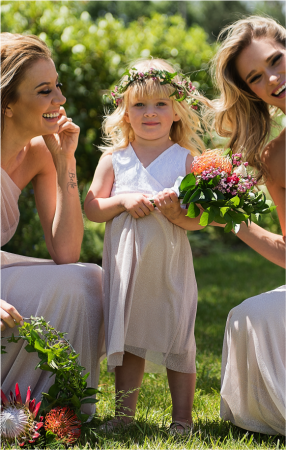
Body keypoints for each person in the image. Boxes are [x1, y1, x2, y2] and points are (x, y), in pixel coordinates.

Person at [84, 58, 208, 433]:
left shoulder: (186, 160)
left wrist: (175, 213)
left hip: (169, 268)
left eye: (160, 104)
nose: (149, 113)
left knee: (178, 337)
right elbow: (92, 207)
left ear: (176, 111)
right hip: (128, 269)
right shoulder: (114, 160)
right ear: (124, 110)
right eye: (139, 104)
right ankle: (124, 416)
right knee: (129, 338)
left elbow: (199, 219)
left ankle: (182, 419)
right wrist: (121, 201)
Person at [0, 33, 104, 415]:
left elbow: (66, 252)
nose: (59, 100)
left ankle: (59, 408)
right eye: (44, 91)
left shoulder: (42, 149)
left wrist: (66, 164)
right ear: (8, 103)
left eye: (57, 86)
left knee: (87, 279)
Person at [208, 16, 286, 435]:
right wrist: (235, 222)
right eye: (257, 77)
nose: (273, 78)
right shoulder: (274, 158)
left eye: (276, 60)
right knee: (247, 317)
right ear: (251, 92)